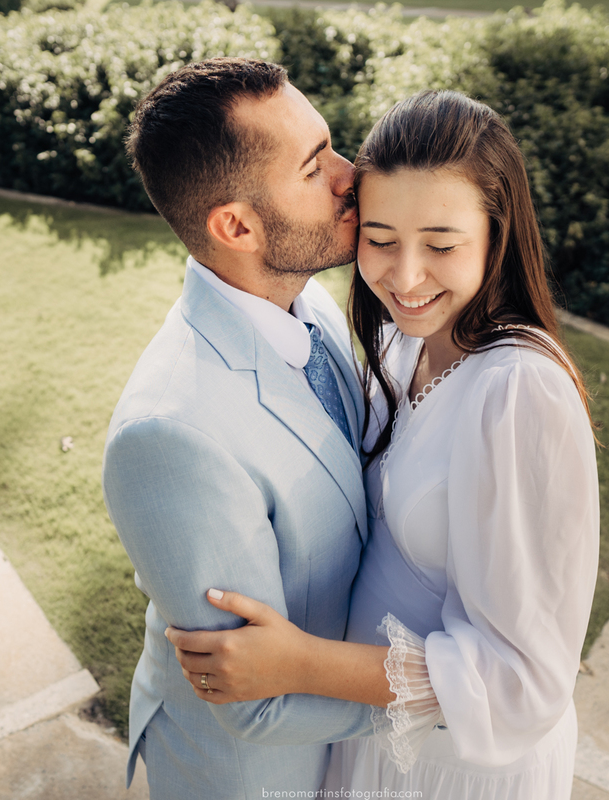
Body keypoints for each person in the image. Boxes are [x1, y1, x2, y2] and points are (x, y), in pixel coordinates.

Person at [167, 90, 602, 798]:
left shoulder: (520, 391)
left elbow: (520, 683)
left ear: (497, 234)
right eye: (380, 239)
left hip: (449, 769)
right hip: (376, 740)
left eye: (441, 244)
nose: (405, 277)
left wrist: (301, 664)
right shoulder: (406, 343)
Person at [101, 58, 376, 798]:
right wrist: (457, 697)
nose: (353, 176)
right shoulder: (167, 438)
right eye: (316, 167)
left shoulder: (309, 303)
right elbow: (256, 703)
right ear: (236, 225)